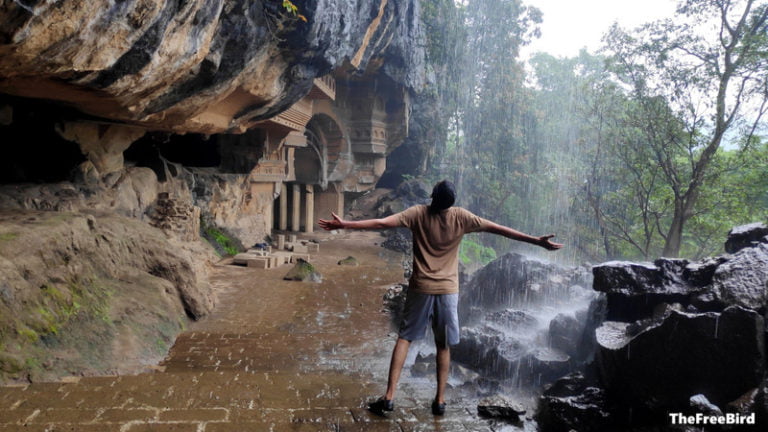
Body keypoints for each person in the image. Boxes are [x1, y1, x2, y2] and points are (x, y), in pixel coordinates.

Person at [318, 180, 562, 416]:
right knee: (443, 345)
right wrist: (536, 241)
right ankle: (440, 401)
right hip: (448, 291)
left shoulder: (417, 213)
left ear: (433, 197)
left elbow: (382, 222)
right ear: (451, 202)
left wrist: (346, 225)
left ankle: (389, 397)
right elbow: (499, 229)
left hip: (420, 288)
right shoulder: (462, 217)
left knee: (405, 339)